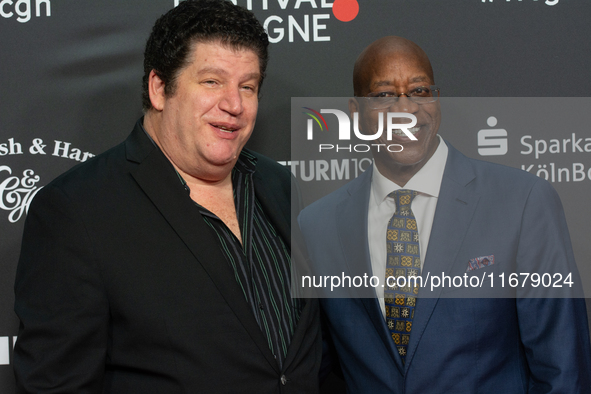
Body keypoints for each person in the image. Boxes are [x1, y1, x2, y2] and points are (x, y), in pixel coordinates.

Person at [13, 1, 321, 392]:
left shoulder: (283, 187)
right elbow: (55, 384)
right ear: (160, 88)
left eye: (248, 86)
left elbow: (312, 353)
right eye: (212, 81)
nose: (234, 105)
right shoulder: (76, 211)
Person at [298, 36, 591, 393]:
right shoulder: (317, 227)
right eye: (385, 95)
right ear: (356, 113)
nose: (406, 110)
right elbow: (315, 367)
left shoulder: (523, 202)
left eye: (420, 91)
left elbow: (562, 370)